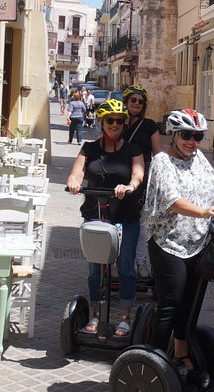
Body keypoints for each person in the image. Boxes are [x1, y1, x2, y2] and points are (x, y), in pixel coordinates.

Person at [143, 109, 214, 373]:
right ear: (174, 135)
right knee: (171, 302)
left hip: (200, 244)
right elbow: (172, 201)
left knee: (192, 302)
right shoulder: (162, 162)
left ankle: (181, 354)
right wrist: (205, 210)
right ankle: (154, 361)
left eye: (198, 136)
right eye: (187, 136)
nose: (192, 142)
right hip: (168, 244)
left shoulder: (198, 157)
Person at [66, 99, 144, 337]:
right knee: (95, 269)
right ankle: (96, 314)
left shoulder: (133, 150)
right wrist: (74, 182)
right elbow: (77, 171)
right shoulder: (89, 148)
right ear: (101, 122)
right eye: (110, 120)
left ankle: (125, 317)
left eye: (119, 121)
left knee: (125, 266)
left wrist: (129, 185)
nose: (115, 124)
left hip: (125, 216)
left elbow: (138, 174)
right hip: (96, 216)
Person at [121, 85, 163, 279]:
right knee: (116, 223)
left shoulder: (149, 126)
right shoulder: (117, 121)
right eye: (133, 100)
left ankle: (142, 264)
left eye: (140, 101)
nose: (136, 104)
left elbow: (159, 155)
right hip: (117, 176)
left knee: (141, 224)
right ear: (126, 102)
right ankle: (117, 262)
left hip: (143, 180)